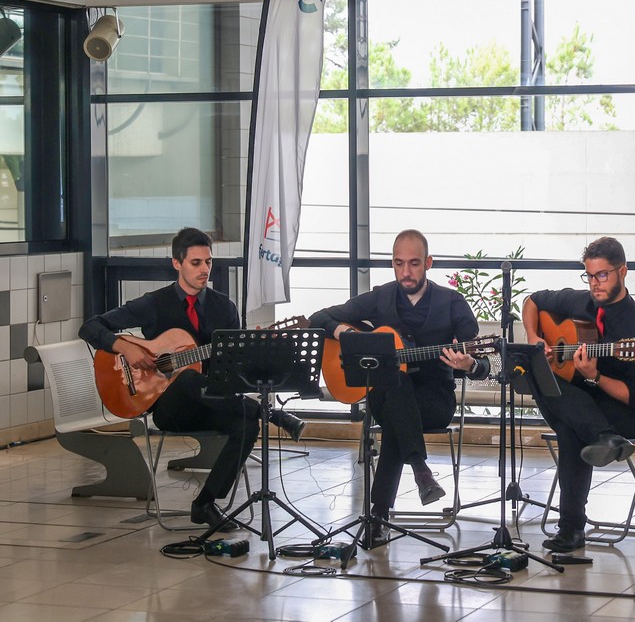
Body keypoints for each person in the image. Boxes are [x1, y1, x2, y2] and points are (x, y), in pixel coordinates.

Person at [79, 227, 306, 531]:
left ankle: (205, 504)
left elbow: (234, 370)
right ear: (177, 264)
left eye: (208, 263)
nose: (204, 270)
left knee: (246, 423)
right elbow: (91, 327)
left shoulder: (223, 307)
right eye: (196, 263)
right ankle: (272, 412)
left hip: (213, 403)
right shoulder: (154, 304)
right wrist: (124, 348)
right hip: (169, 408)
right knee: (185, 380)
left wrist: (258, 346)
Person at [308, 229, 491, 547]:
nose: (406, 272)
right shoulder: (381, 297)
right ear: (392, 264)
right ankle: (420, 470)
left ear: (428, 263)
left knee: (395, 409)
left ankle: (379, 517)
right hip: (387, 395)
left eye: (414, 263)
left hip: (435, 400)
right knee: (394, 385)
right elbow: (318, 317)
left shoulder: (452, 303)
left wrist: (469, 365)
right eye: (399, 263)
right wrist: (344, 334)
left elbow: (482, 366)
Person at [522, 236, 635, 553]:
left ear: (623, 271)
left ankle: (572, 529)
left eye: (602, 275)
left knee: (571, 429)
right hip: (577, 403)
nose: (595, 284)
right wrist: (535, 338)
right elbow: (532, 301)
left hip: (620, 413)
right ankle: (603, 439)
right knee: (534, 367)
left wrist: (596, 376)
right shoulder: (578, 303)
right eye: (589, 275)